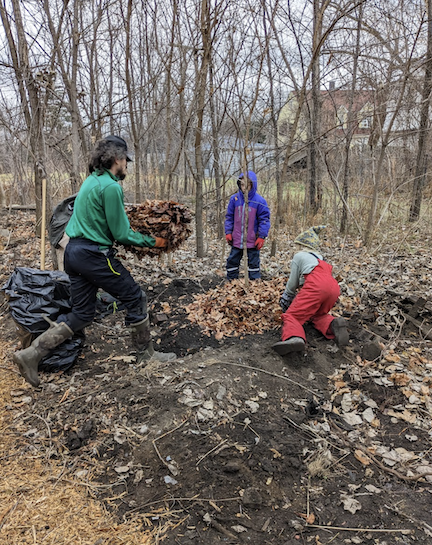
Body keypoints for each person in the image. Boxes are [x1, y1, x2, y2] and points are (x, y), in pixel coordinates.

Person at [13, 135, 175, 388]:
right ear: (117, 159)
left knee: (82, 312)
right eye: (125, 161)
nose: (126, 166)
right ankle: (146, 355)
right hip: (94, 255)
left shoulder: (90, 181)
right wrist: (156, 242)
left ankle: (31, 354)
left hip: (73, 253)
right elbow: (121, 234)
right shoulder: (110, 187)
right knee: (135, 296)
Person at [272, 225, 349, 355]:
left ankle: (294, 338)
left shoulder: (299, 256)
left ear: (301, 245)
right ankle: (333, 324)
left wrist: (287, 296)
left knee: (292, 316)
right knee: (318, 314)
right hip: (333, 287)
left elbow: (293, 282)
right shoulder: (319, 258)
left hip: (317, 286)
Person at [224, 171, 270, 280]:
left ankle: (254, 282)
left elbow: (265, 220)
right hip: (236, 239)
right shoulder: (234, 199)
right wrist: (228, 232)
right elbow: (229, 217)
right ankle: (231, 281)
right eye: (242, 184)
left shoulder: (260, 201)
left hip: (252, 240)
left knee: (253, 263)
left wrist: (261, 236)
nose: (244, 187)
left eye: (247, 185)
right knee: (232, 261)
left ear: (252, 185)